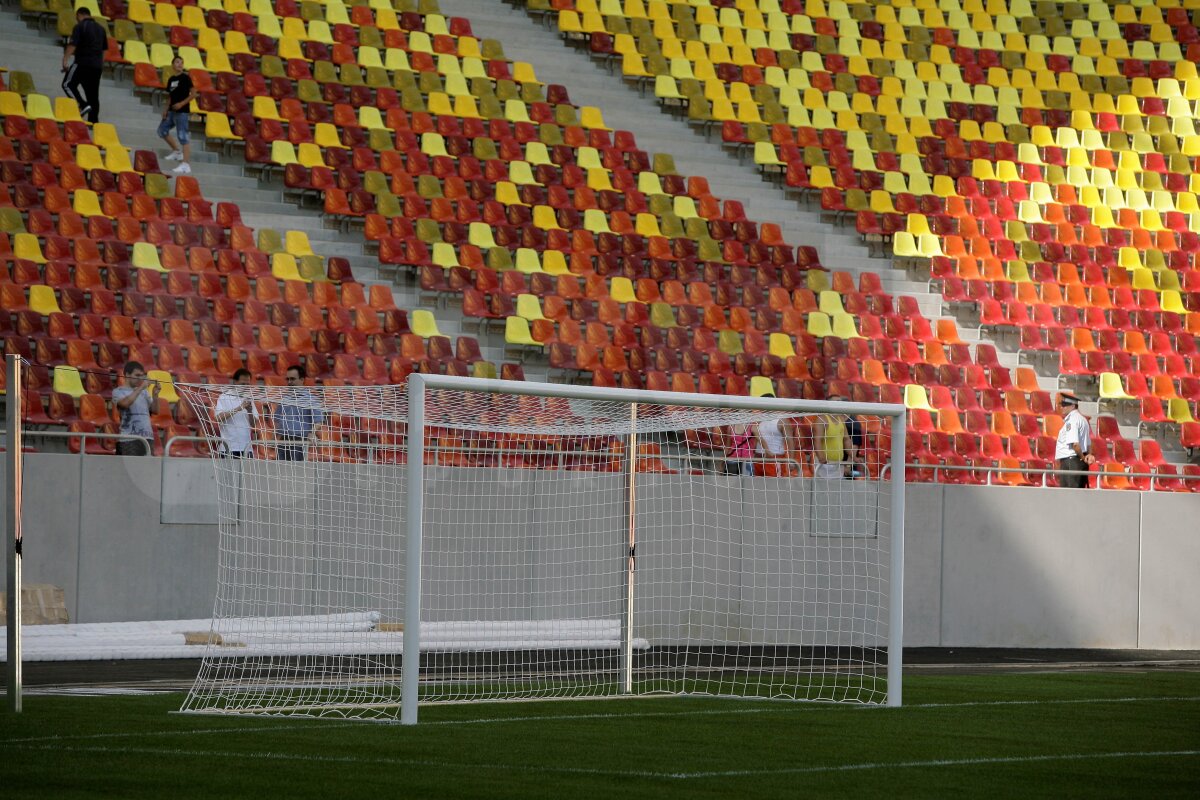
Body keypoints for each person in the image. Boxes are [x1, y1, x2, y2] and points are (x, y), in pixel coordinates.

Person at [62, 7, 107, 124]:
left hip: (82, 62)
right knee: (93, 95)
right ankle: (94, 123)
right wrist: (100, 64)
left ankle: (82, 104)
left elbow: (73, 44)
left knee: (67, 84)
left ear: (79, 15)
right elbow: (104, 50)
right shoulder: (101, 29)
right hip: (97, 66)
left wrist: (65, 60)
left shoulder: (80, 26)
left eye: (77, 17)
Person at [271, 365, 323, 461]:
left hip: (300, 440)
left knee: (297, 468)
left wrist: (312, 433)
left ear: (302, 379)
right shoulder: (284, 399)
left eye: (292, 379)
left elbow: (318, 421)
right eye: (288, 379)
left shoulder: (311, 399)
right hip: (283, 440)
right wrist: (275, 436)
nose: (289, 382)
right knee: (281, 468)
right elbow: (277, 419)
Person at [159, 55, 196, 175]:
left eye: (181, 62)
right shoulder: (171, 79)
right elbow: (170, 96)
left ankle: (186, 164)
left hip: (182, 112)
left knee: (183, 136)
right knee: (162, 130)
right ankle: (176, 151)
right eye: (177, 62)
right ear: (173, 65)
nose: (180, 64)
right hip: (171, 111)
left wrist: (181, 104)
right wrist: (165, 109)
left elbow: (193, 94)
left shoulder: (186, 78)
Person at [111, 361, 158, 456]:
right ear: (127, 375)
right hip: (128, 439)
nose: (140, 378)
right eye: (137, 375)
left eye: (141, 375)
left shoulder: (144, 392)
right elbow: (125, 404)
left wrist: (155, 394)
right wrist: (141, 388)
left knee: (147, 465)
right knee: (129, 466)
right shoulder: (118, 391)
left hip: (147, 438)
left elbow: (155, 410)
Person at [214, 369, 258, 458]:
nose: (245, 387)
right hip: (228, 447)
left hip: (246, 448)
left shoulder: (249, 399)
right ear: (235, 382)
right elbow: (218, 418)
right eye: (243, 384)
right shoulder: (224, 397)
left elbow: (254, 424)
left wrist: (249, 411)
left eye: (247, 384)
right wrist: (239, 408)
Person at [1054, 393, 1094, 488]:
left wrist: (1082, 458)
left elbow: (1075, 444)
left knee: (1069, 493)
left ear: (1072, 406)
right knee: (1078, 491)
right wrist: (1088, 455)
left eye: (1064, 405)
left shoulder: (1072, 421)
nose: (1062, 407)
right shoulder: (1083, 419)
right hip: (1078, 461)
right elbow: (1088, 443)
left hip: (1071, 461)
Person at [812, 396, 853, 479]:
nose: (840, 404)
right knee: (823, 486)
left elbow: (846, 439)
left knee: (837, 487)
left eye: (840, 402)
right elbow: (817, 440)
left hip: (838, 462)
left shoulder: (841, 419)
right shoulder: (822, 420)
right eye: (837, 401)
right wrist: (821, 457)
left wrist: (852, 455)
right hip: (824, 463)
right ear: (828, 404)